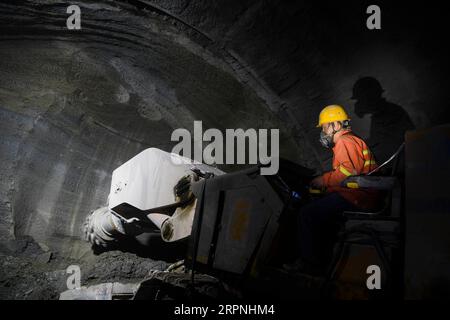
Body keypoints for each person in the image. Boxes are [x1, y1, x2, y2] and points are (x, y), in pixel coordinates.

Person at [284, 105, 381, 275]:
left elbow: (347, 172)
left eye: (324, 127)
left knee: (307, 214)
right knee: (320, 211)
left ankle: (310, 265)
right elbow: (348, 176)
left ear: (335, 125)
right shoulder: (352, 140)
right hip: (360, 195)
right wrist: (328, 189)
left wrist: (323, 180)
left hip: (358, 197)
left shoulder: (345, 141)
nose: (323, 132)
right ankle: (324, 260)